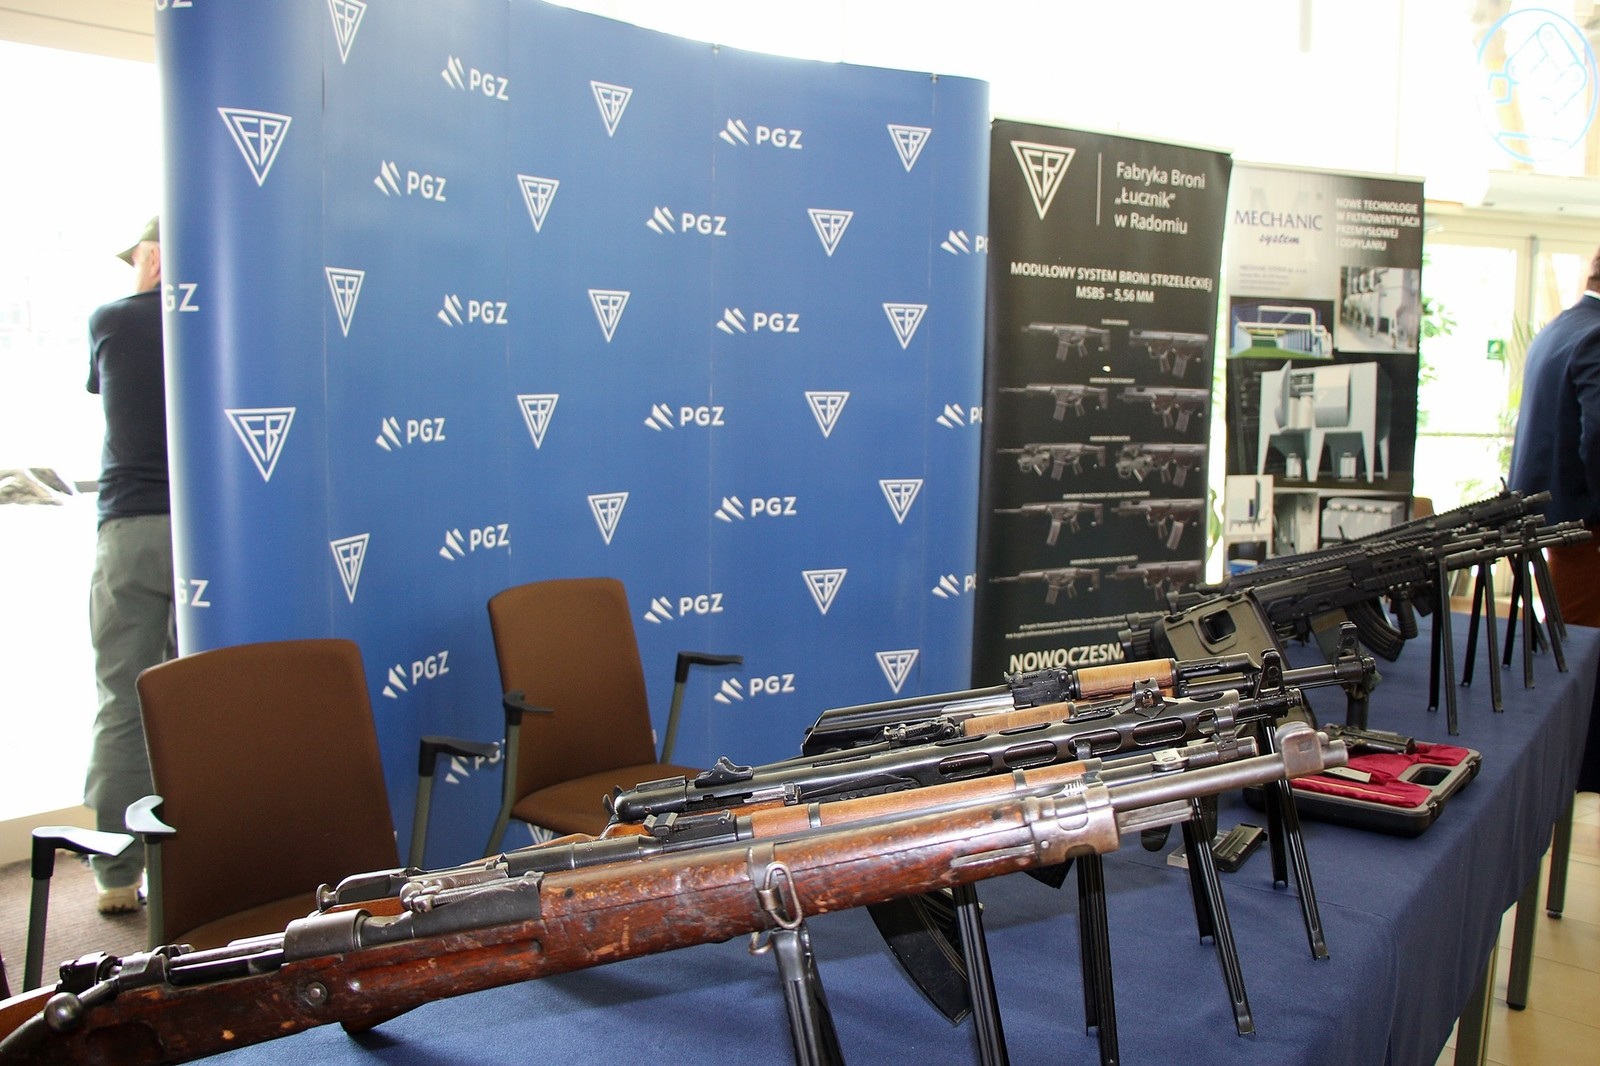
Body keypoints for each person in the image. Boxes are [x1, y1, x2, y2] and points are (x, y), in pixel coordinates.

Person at [84, 215, 175, 913]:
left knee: (123, 698)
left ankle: (118, 874)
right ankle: (200, 863)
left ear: (153, 257)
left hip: (132, 529)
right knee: (203, 698)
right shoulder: (220, 322)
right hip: (216, 538)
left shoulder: (113, 321)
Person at [1507, 245, 1600, 796]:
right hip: (1585, 536)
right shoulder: (1595, 335)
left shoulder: (1561, 328)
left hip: (1552, 526)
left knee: (1567, 658)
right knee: (1584, 669)